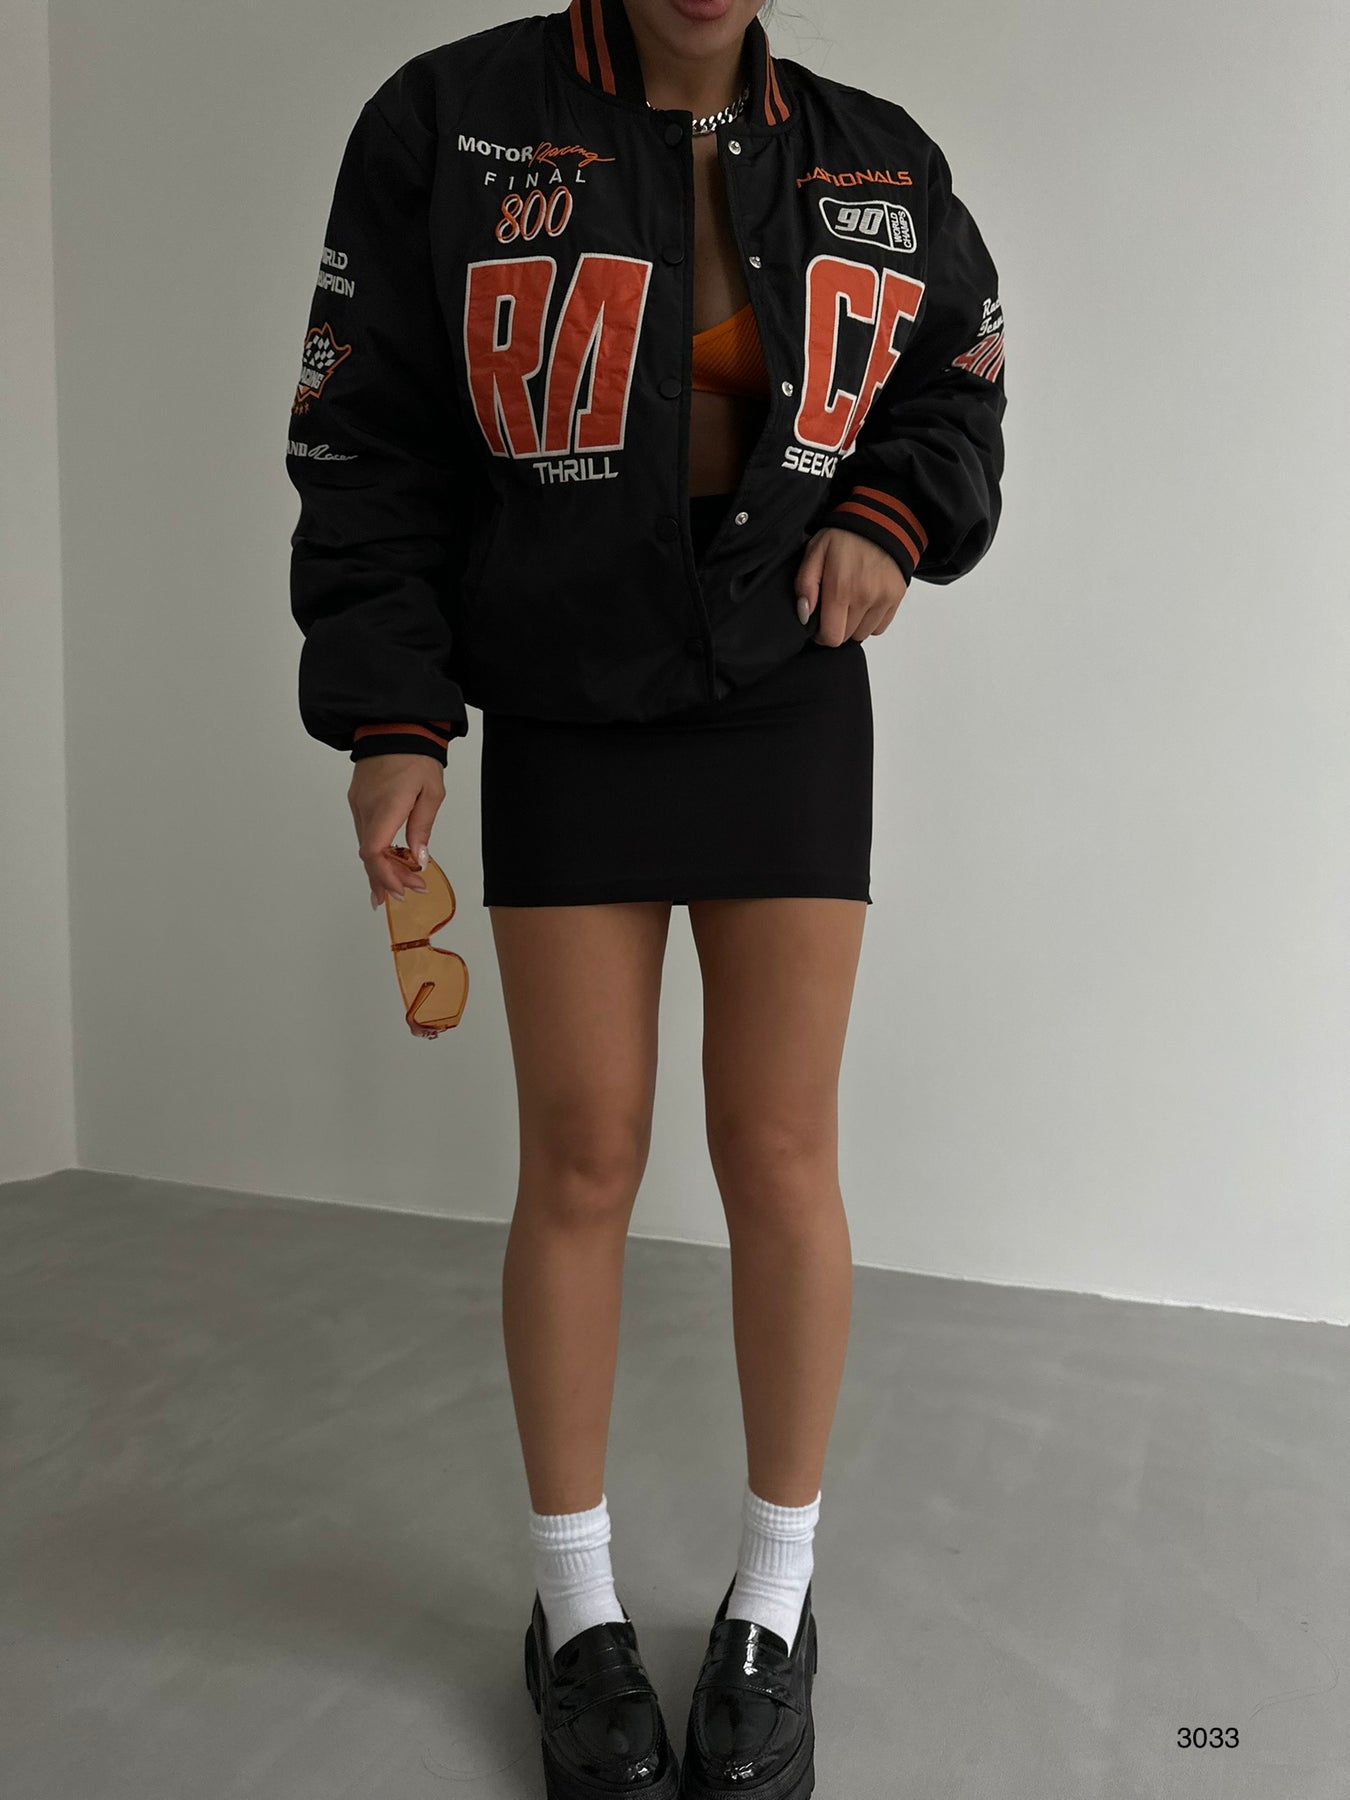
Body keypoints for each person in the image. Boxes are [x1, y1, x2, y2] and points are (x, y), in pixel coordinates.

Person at [285, 1, 1007, 1793]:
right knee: (584, 1154)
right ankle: (575, 1608)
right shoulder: (446, 121)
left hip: (781, 684)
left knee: (778, 1148)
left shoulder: (877, 158)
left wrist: (890, 518)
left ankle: (775, 1597)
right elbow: (368, 435)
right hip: (559, 686)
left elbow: (957, 380)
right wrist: (392, 714)